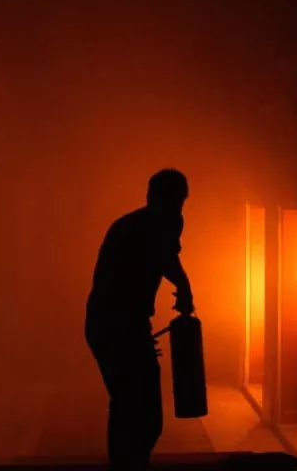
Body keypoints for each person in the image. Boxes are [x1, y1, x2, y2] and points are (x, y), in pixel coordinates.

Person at [85, 168, 195, 470]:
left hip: (126, 326)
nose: (174, 211)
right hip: (112, 326)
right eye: (169, 202)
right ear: (150, 198)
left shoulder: (167, 222)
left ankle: (130, 463)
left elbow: (167, 256)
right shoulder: (132, 230)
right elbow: (162, 256)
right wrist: (183, 286)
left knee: (139, 412)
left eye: (178, 204)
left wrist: (183, 285)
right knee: (133, 408)